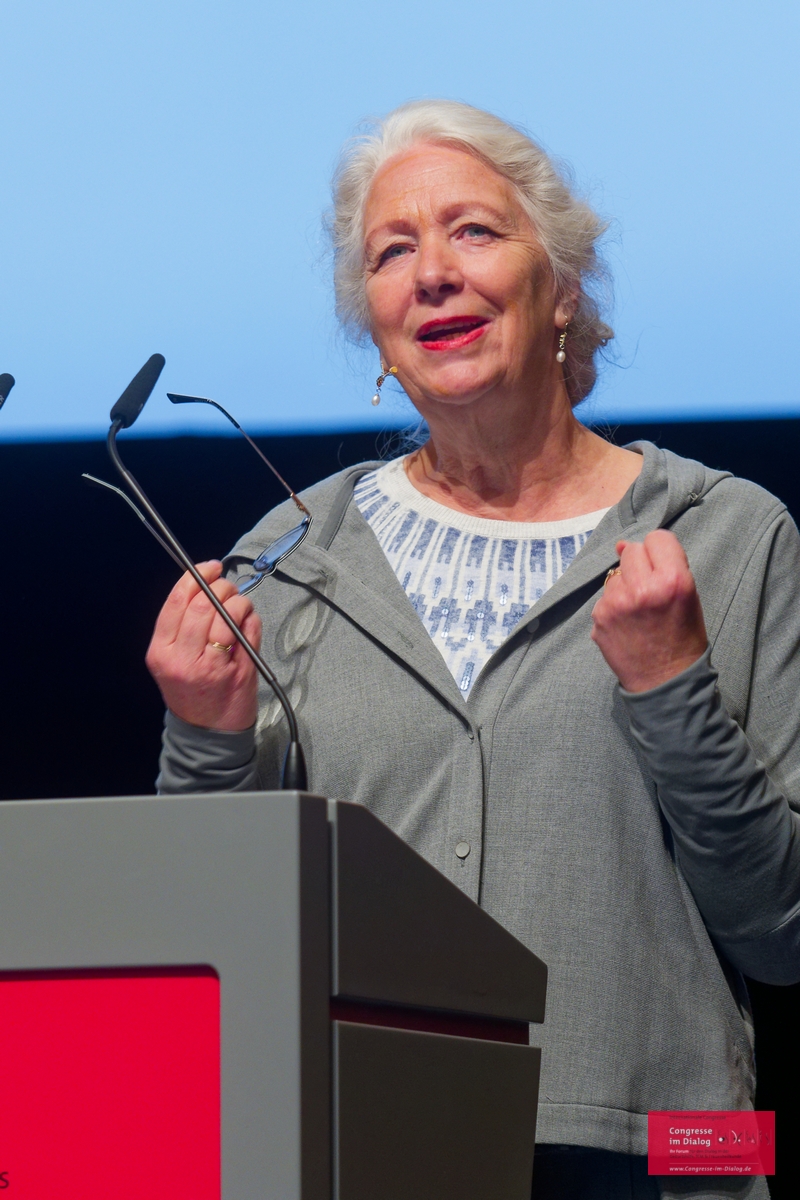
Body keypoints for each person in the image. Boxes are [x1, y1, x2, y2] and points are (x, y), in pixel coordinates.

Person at [146, 100, 800, 1199]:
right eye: (391, 252)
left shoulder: (728, 537)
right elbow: (201, 931)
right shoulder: (294, 556)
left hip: (652, 1162)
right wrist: (203, 739)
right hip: (359, 1150)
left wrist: (671, 692)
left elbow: (781, 934)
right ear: (374, 328)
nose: (433, 274)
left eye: (474, 232)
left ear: (563, 286)